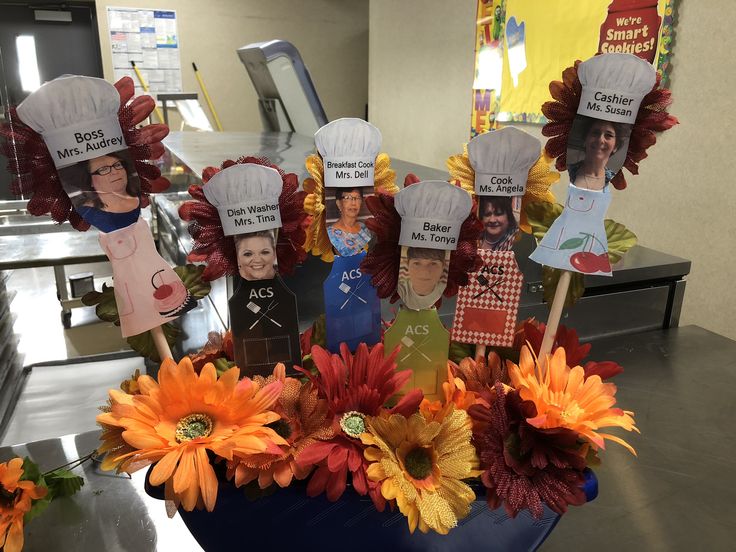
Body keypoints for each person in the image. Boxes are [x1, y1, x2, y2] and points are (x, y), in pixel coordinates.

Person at [63, 151, 141, 232]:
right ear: (90, 181)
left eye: (117, 165)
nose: (115, 172)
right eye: (103, 169)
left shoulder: (142, 196)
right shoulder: (86, 214)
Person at [568, 118, 627, 190]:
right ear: (585, 140)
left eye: (608, 135)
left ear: (616, 146)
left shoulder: (616, 181)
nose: (600, 140)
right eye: (595, 133)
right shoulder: (566, 171)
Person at [327, 188, 373, 256]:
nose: (353, 203)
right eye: (347, 198)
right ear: (339, 203)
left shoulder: (365, 229)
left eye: (357, 198)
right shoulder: (330, 234)